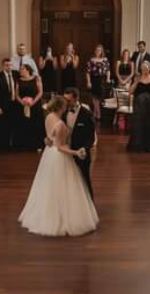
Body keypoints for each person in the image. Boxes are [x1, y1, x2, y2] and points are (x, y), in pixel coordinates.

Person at [17, 96, 98, 237]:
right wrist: (76, 152)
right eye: (65, 105)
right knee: (64, 187)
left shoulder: (48, 117)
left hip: (49, 155)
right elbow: (61, 147)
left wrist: (48, 142)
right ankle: (61, 217)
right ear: (61, 107)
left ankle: (46, 215)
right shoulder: (60, 124)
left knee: (48, 186)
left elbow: (49, 139)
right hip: (59, 157)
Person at [63, 87, 96, 198]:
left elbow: (91, 137)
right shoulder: (62, 112)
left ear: (76, 98)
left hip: (81, 153)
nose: (66, 103)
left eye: (68, 100)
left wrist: (85, 148)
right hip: (65, 152)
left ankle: (89, 203)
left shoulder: (87, 114)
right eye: (64, 100)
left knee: (84, 179)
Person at [127, 61, 150, 153]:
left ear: (149, 69)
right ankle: (138, 145)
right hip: (139, 108)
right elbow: (130, 92)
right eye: (143, 68)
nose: (145, 70)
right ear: (140, 69)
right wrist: (136, 82)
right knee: (139, 124)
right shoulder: (137, 79)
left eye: (146, 68)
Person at [14, 64, 44, 151]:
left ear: (28, 70)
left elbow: (40, 92)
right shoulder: (18, 81)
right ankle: (25, 145)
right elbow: (17, 95)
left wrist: (33, 102)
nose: (20, 71)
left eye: (22, 69)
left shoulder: (36, 78)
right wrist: (22, 102)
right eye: (20, 69)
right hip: (22, 106)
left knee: (36, 124)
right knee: (24, 124)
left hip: (35, 105)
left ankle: (38, 144)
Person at [0, 58, 17, 152]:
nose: (9, 67)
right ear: (3, 66)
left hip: (15, 105)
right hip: (3, 105)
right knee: (3, 126)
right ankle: (3, 147)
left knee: (13, 125)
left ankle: (13, 145)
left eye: (10, 65)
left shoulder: (16, 74)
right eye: (6, 65)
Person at [85, 44, 111, 123]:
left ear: (102, 51)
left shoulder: (105, 59)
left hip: (102, 79)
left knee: (99, 96)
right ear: (95, 51)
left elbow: (108, 70)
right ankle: (97, 112)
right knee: (94, 96)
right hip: (94, 79)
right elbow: (87, 72)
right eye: (97, 50)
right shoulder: (91, 60)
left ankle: (96, 111)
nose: (98, 51)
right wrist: (88, 81)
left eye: (99, 50)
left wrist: (108, 79)